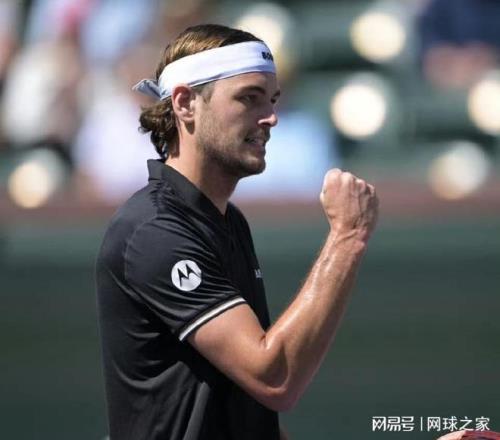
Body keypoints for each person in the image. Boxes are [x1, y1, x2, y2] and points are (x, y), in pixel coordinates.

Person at [95, 24, 379, 440]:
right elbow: (274, 377)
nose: (271, 117)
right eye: (249, 98)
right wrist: (347, 237)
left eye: (272, 100)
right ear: (185, 103)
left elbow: (251, 419)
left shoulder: (227, 222)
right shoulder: (153, 231)